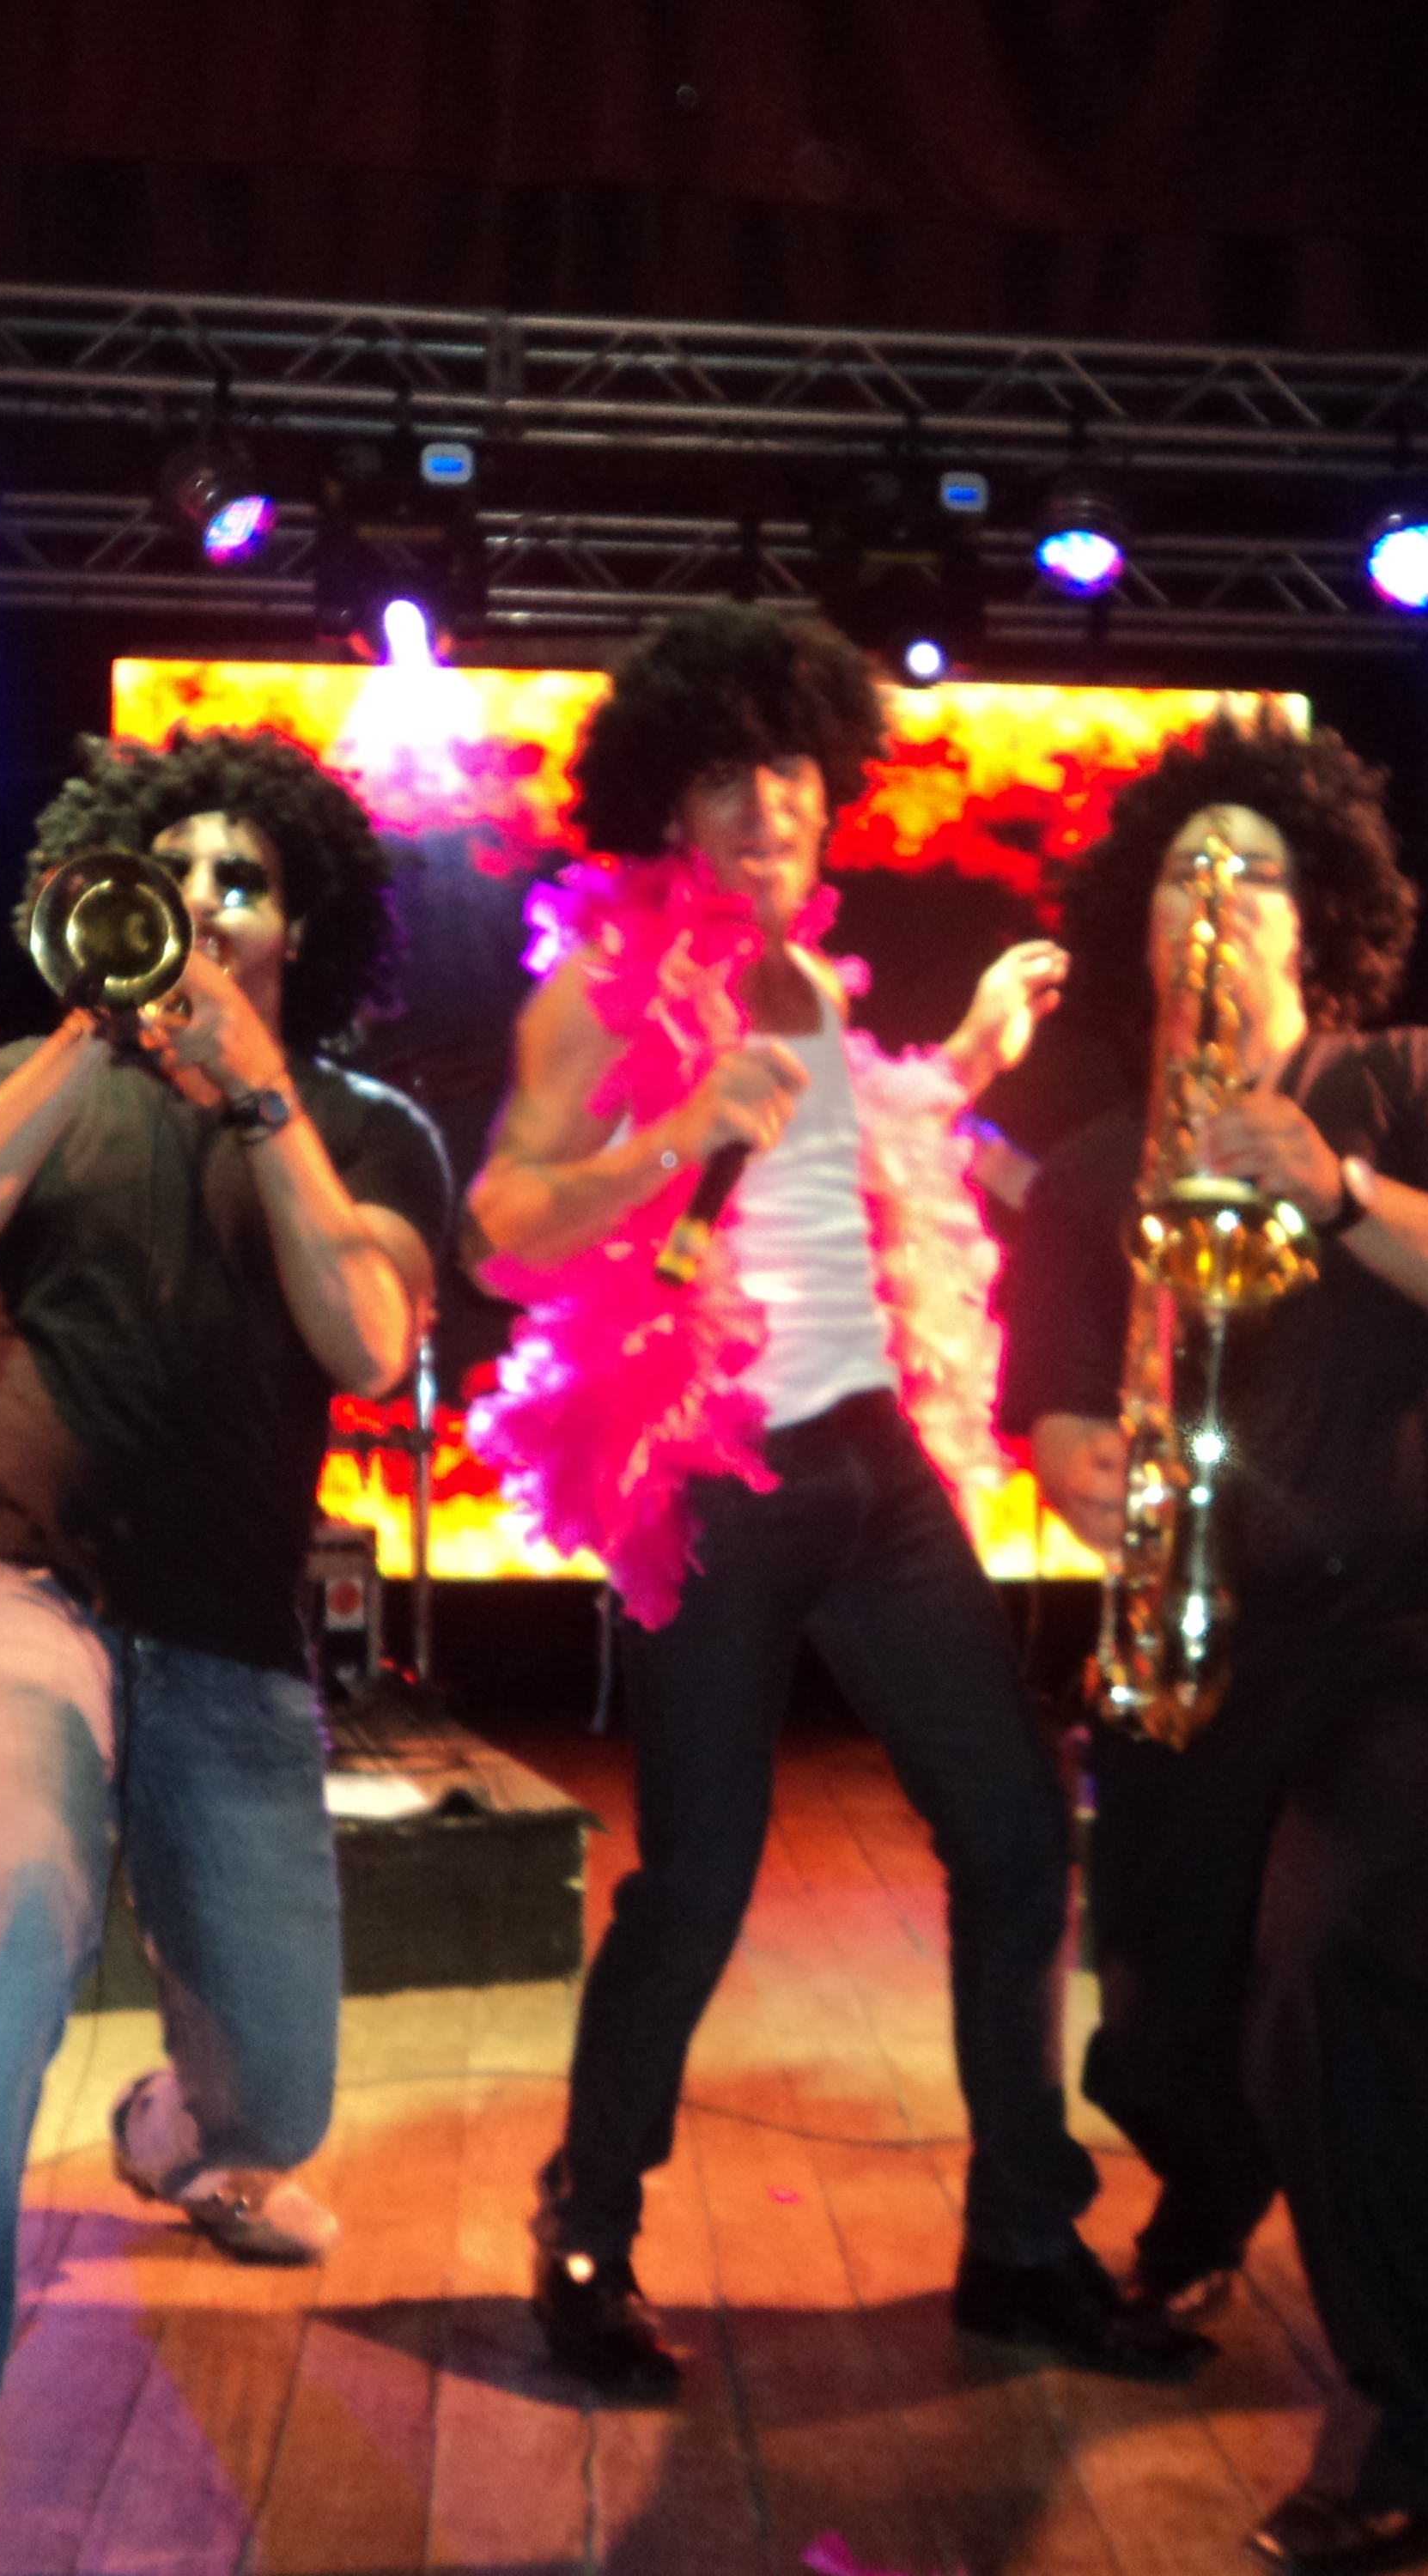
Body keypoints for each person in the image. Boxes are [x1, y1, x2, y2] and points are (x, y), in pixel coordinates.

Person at [463, 603, 1197, 2399]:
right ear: (667, 804)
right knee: (698, 1883)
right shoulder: (598, 992)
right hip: (723, 1471)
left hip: (877, 1467)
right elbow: (497, 1233)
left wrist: (972, 1060)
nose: (765, 808)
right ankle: (587, 2231)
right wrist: (671, 1132)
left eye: (788, 771)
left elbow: (854, 1152)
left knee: (1015, 1836)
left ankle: (1021, 2243)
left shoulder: (816, 985)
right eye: (724, 778)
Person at [0, 728, 449, 2576]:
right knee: (14, 1906)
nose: (207, 907)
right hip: (8, 1572)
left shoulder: (365, 1129)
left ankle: (171, 2133)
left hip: (227, 1629)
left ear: (301, 924)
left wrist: (259, 1098)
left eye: (246, 881)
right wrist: (88, 1034)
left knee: (278, 2106)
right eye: (177, 875)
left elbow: (369, 1344)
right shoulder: (34, 1071)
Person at [1003, 712, 1428, 2576]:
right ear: (1144, 923)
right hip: (1212, 1637)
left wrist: (1335, 1188)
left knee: (1332, 1963)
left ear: (1313, 918)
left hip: (1426, 1621)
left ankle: (1410, 2427)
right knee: (1156, 2032)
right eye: (1187, 868)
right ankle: (1215, 2182)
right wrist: (1075, 1465)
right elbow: (1048, 1414)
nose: (1218, 896)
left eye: (1253, 869)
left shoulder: (1410, 1081)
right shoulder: (1092, 1167)